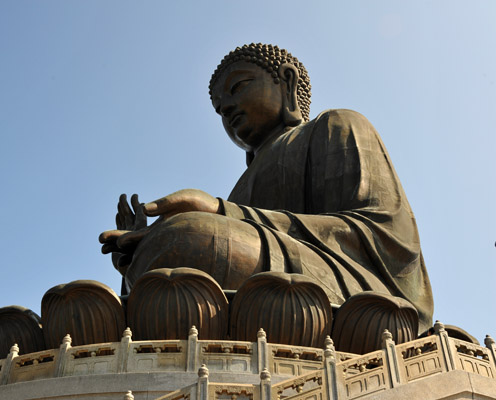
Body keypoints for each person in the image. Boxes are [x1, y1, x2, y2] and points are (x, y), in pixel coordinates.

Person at [99, 43, 433, 332]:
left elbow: (383, 235)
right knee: (174, 246)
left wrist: (221, 213)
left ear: (286, 82)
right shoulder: (241, 186)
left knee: (190, 236)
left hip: (356, 295)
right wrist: (135, 262)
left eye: (239, 86)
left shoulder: (336, 125)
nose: (227, 107)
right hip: (259, 294)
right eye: (219, 108)